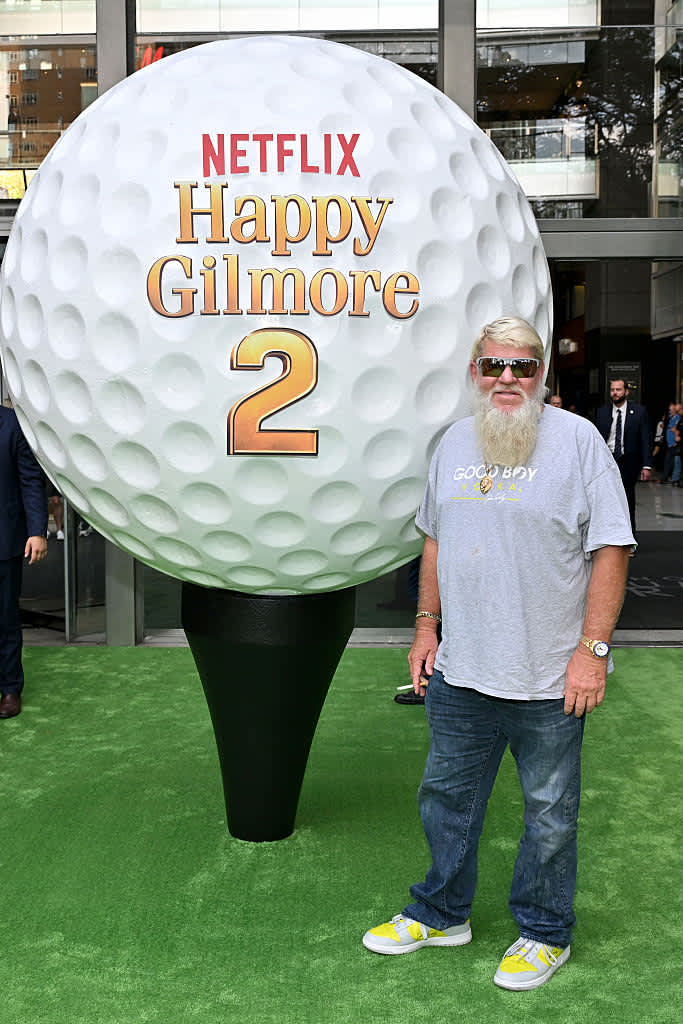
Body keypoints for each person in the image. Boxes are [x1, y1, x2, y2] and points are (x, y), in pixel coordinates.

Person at [362, 316, 633, 991]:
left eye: (522, 367)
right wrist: (425, 627)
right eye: (493, 366)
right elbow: (433, 540)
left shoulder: (580, 443)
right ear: (474, 373)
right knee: (445, 803)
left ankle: (544, 932)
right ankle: (441, 913)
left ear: (543, 374)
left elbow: (611, 549)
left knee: (547, 815)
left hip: (549, 678)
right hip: (461, 675)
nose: (507, 379)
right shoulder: (453, 441)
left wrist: (591, 651)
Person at [0, 405, 48, 718]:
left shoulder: (12, 424)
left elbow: (30, 480)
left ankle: (9, 689)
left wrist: (37, 531)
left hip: (4, 541)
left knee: (4, 620)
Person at [596, 379, 651, 537]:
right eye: (612, 389)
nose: (615, 393)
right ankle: (608, 536)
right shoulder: (602, 412)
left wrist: (647, 465)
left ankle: (628, 538)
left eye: (618, 389)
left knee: (627, 500)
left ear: (626, 392)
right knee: (605, 500)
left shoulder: (639, 412)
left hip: (628, 462)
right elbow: (597, 438)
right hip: (607, 461)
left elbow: (645, 439)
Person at [658, 402, 680, 483]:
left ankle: (666, 478)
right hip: (669, 443)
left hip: (674, 443)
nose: (671, 411)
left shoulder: (678, 418)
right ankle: (666, 477)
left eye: (673, 409)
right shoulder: (670, 417)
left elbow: (677, 430)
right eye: (670, 410)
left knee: (670, 462)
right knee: (669, 461)